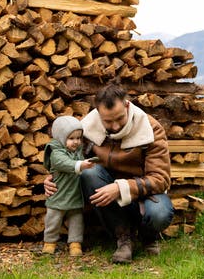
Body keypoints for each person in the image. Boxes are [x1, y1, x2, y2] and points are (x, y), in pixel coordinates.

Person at [44, 83, 174, 264]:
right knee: (90, 174)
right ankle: (123, 239)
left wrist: (121, 187)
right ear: (98, 113)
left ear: (127, 105)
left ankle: (148, 236)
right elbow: (70, 158)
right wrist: (54, 176)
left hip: (142, 195)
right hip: (106, 194)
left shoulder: (150, 128)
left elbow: (160, 179)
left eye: (120, 118)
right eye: (107, 121)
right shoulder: (87, 127)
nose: (114, 126)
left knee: (160, 213)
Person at [42, 115, 96, 256]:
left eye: (78, 138)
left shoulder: (77, 152)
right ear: (60, 137)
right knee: (53, 219)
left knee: (77, 220)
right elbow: (64, 163)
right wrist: (81, 165)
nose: (76, 142)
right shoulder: (55, 152)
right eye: (71, 138)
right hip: (58, 194)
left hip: (75, 194)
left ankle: (75, 243)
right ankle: (49, 242)